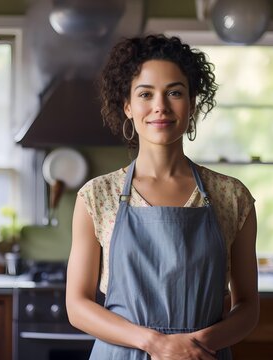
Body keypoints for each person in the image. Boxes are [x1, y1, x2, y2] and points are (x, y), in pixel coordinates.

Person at [66, 34, 259, 360]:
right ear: (127, 106)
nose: (160, 106)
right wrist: (157, 344)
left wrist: (197, 344)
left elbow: (248, 307)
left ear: (192, 103)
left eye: (174, 92)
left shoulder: (232, 196)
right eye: (145, 94)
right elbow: (77, 305)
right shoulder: (96, 197)